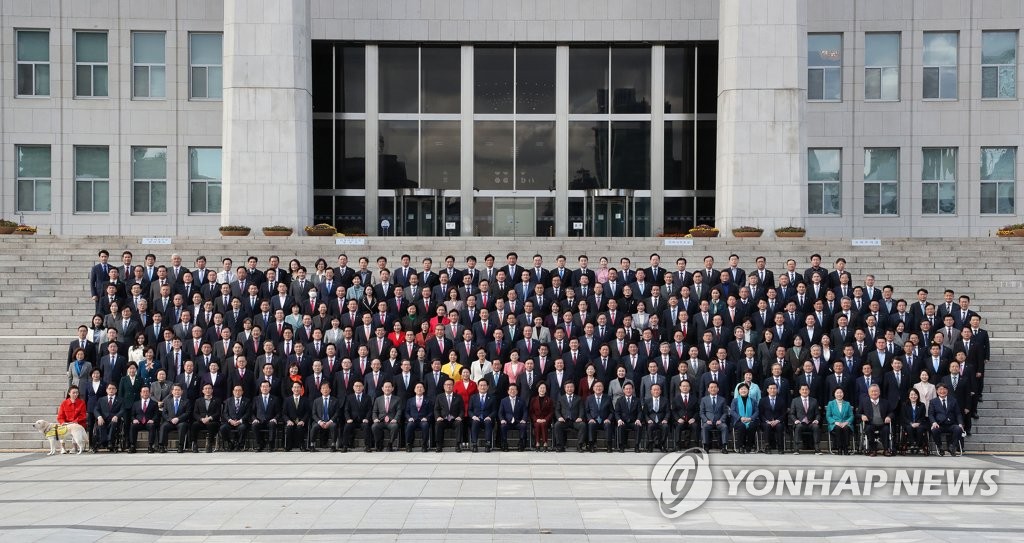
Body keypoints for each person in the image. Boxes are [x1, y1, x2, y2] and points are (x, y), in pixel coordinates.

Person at [929, 383, 964, 456]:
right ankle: (940, 447)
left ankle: (952, 447)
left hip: (951, 424)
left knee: (958, 429)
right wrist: (934, 422)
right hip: (939, 425)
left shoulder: (953, 400)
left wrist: (960, 423)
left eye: (944, 389)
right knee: (934, 430)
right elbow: (931, 414)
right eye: (940, 389)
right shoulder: (933, 401)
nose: (942, 391)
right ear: (937, 391)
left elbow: (958, 414)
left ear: (947, 390)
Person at [858, 384, 894, 457]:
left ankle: (886, 450)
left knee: (886, 429)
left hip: (882, 424)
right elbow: (857, 414)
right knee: (868, 429)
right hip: (870, 424)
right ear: (869, 393)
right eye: (872, 391)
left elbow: (891, 413)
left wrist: (889, 416)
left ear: (879, 392)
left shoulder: (885, 402)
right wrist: (862, 416)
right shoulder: (864, 402)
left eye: (876, 391)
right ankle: (873, 450)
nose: (874, 393)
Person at [553, 382, 586, 452]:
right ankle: (560, 446)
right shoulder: (561, 398)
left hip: (575, 421)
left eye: (571, 387)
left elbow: (581, 409)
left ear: (574, 388)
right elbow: (557, 410)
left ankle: (579, 446)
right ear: (565, 388)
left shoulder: (579, 398)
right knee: (557, 425)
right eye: (567, 387)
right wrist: (559, 417)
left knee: (582, 425)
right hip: (564, 421)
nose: (569, 389)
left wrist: (580, 417)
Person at [789, 383, 821, 455]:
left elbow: (818, 414)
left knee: (816, 427)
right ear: (799, 391)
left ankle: (817, 449)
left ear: (809, 391)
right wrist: (795, 420)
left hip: (810, 423)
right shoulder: (795, 400)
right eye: (803, 389)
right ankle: (796, 449)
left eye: (806, 389)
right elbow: (792, 414)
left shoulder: (814, 401)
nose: (804, 391)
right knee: (798, 427)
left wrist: (816, 420)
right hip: (800, 422)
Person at [158, 383, 190, 453]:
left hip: (181, 421)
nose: (177, 392)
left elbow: (187, 413)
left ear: (182, 392)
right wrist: (170, 419)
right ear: (172, 391)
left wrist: (178, 419)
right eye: (175, 390)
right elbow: (164, 413)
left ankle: (180, 446)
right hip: (170, 421)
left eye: (179, 390)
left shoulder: (186, 401)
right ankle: (162, 446)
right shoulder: (167, 401)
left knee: (182, 426)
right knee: (163, 426)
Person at [433, 379, 463, 452]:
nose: (448, 386)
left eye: (450, 385)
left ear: (453, 386)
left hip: (454, 420)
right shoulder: (439, 397)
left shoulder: (458, 397)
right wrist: (438, 417)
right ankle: (439, 445)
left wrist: (460, 416)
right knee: (438, 423)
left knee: (459, 423)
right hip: (443, 419)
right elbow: (436, 409)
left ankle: (458, 445)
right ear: (444, 386)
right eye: (447, 385)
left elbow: (462, 409)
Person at [584, 381, 614, 453]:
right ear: (593, 388)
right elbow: (587, 411)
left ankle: (609, 445)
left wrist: (608, 419)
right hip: (594, 420)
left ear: (603, 388)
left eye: (600, 386)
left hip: (604, 420)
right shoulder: (589, 398)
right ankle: (591, 445)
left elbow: (612, 411)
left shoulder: (608, 398)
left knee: (608, 424)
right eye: (596, 386)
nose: (598, 388)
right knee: (591, 424)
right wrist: (590, 419)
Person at [699, 382, 729, 453]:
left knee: (724, 427)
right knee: (704, 427)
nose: (713, 389)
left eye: (715, 387)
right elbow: (701, 413)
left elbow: (725, 412)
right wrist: (706, 420)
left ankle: (724, 447)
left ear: (718, 389)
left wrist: (721, 420)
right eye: (711, 387)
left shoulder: (722, 399)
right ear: (708, 389)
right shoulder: (704, 399)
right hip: (708, 422)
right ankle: (706, 446)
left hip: (719, 421)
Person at [191, 383, 222, 453]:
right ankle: (194, 444)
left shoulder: (217, 400)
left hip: (213, 421)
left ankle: (210, 444)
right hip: (201, 421)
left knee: (212, 425)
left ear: (212, 390)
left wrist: (210, 418)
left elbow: (218, 413)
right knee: (194, 425)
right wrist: (201, 419)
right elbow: (195, 413)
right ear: (203, 391)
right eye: (206, 389)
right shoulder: (198, 401)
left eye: (209, 388)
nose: (207, 390)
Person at [310, 381, 340, 452]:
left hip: (330, 421)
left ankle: (333, 445)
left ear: (330, 390)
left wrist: (330, 421)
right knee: (314, 426)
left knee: (333, 426)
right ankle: (312, 445)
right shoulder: (316, 401)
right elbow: (314, 414)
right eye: (323, 388)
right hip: (319, 421)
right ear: (320, 390)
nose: (325, 390)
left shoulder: (335, 400)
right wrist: (320, 422)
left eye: (326, 388)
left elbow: (337, 413)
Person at [251, 380, 280, 452]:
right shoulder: (256, 399)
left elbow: (279, 412)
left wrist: (275, 418)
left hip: (270, 421)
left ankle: (270, 445)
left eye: (267, 386)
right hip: (259, 421)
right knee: (254, 425)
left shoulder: (275, 399)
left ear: (270, 388)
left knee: (272, 424)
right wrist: (254, 419)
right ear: (260, 388)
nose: (265, 388)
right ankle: (260, 444)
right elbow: (252, 412)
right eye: (263, 386)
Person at [93, 382, 123, 453]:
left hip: (114, 420)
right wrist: (99, 417)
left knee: (113, 423)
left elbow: (122, 410)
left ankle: (110, 442)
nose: (111, 390)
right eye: (109, 388)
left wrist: (117, 416)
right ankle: (103, 442)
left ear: (116, 390)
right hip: (103, 419)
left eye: (113, 388)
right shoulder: (101, 399)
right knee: (100, 423)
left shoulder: (120, 400)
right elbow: (96, 409)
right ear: (106, 390)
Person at [129, 385, 159, 453]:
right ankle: (132, 446)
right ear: (141, 393)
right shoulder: (136, 403)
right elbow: (132, 415)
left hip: (149, 422)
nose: (145, 393)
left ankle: (150, 446)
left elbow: (156, 415)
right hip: (139, 422)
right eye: (143, 391)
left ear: (149, 393)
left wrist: (153, 420)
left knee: (152, 426)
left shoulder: (154, 403)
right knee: (133, 426)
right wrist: (134, 419)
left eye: (147, 391)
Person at [219, 385, 250, 451]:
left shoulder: (247, 401)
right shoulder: (228, 401)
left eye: (239, 390)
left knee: (242, 428)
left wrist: (240, 421)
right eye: (236, 390)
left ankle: (239, 444)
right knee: (223, 428)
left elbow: (248, 413)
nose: (237, 392)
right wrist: (230, 420)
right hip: (230, 422)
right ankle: (229, 443)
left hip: (241, 422)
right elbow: (225, 413)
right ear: (233, 392)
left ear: (242, 392)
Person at [281, 381, 310, 451]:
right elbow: (284, 413)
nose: (296, 389)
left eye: (298, 387)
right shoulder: (287, 400)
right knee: (289, 427)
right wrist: (288, 421)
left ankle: (302, 446)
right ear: (292, 389)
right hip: (291, 421)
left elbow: (308, 412)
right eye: (295, 387)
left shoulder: (305, 400)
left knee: (300, 427)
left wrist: (303, 421)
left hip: (301, 422)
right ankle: (288, 446)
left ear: (301, 389)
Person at [759, 382, 787, 454]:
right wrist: (767, 421)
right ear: (767, 390)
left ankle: (780, 448)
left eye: (774, 388)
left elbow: (784, 414)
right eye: (771, 388)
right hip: (766, 422)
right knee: (767, 426)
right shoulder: (762, 400)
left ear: (777, 390)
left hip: (778, 422)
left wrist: (777, 420)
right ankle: (767, 447)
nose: (772, 390)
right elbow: (761, 414)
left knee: (780, 426)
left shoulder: (781, 400)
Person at [499, 383, 529, 451]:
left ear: (517, 391)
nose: (512, 391)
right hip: (507, 422)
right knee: (503, 426)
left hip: (518, 422)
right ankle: (504, 444)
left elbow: (525, 411)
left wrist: (524, 419)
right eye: (511, 389)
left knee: (523, 425)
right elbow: (500, 412)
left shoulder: (521, 400)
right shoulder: (503, 401)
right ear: (508, 391)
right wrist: (502, 419)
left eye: (514, 389)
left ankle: (521, 443)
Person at [468, 379, 496, 452]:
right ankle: (474, 444)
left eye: (484, 385)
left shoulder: (492, 398)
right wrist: (473, 416)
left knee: (488, 422)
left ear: (488, 387)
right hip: (476, 419)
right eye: (481, 385)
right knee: (475, 422)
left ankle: (487, 444)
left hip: (488, 419)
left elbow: (494, 411)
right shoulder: (473, 397)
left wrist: (489, 417)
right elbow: (469, 410)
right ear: (478, 387)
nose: (482, 387)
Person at [670, 380, 698, 451]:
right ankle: (677, 445)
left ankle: (696, 446)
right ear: (680, 387)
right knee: (679, 426)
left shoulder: (694, 398)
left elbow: (697, 411)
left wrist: (694, 418)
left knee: (695, 426)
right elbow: (673, 411)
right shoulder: (675, 398)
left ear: (689, 387)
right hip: (680, 420)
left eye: (687, 386)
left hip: (691, 420)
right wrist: (677, 419)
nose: (685, 388)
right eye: (683, 386)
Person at [404, 382, 433, 452]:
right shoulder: (410, 400)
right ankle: (409, 445)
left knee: (425, 425)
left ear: (424, 390)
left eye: (421, 387)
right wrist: (409, 418)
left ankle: (424, 445)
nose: (419, 389)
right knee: (409, 425)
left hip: (423, 420)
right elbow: (406, 412)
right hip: (413, 420)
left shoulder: (428, 400)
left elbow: (431, 412)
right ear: (414, 390)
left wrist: (426, 418)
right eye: (417, 387)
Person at [730, 383, 758, 453]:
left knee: (752, 426)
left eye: (745, 389)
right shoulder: (735, 400)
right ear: (739, 391)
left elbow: (757, 411)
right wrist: (740, 418)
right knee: (741, 426)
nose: (743, 390)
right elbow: (732, 411)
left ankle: (749, 445)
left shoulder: (753, 401)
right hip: (738, 420)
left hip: (750, 420)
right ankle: (741, 446)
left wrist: (750, 418)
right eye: (741, 389)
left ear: (748, 391)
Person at [826, 387, 854, 455]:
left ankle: (846, 448)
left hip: (846, 423)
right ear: (834, 394)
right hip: (834, 424)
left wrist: (846, 422)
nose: (839, 394)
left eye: (841, 392)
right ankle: (839, 448)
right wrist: (835, 422)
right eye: (837, 393)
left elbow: (851, 416)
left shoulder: (847, 404)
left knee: (846, 428)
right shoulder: (831, 403)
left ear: (843, 394)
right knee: (838, 428)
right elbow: (828, 416)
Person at [644, 383, 670, 452]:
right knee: (650, 426)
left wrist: (665, 419)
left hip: (662, 421)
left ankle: (662, 444)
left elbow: (668, 412)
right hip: (651, 421)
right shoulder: (647, 401)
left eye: (658, 390)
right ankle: (650, 444)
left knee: (665, 426)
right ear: (651, 391)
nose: (656, 391)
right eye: (654, 390)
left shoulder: (665, 400)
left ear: (660, 391)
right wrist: (648, 420)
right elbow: (645, 413)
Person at [529, 382, 555, 451]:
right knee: (537, 424)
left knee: (543, 424)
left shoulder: (549, 400)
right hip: (536, 420)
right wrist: (536, 419)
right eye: (541, 388)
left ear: (546, 390)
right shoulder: (533, 399)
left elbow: (551, 412)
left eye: (544, 388)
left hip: (546, 420)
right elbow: (531, 412)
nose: (542, 389)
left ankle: (545, 442)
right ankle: (537, 442)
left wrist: (545, 419)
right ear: (538, 389)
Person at [902, 388, 928, 455]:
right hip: (908, 424)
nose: (913, 396)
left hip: (919, 424)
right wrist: (911, 423)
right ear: (909, 396)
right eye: (912, 395)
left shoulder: (922, 405)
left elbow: (923, 417)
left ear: (918, 396)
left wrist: (918, 423)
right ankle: (912, 444)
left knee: (920, 428)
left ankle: (918, 444)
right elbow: (904, 417)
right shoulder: (905, 405)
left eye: (915, 394)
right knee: (909, 427)